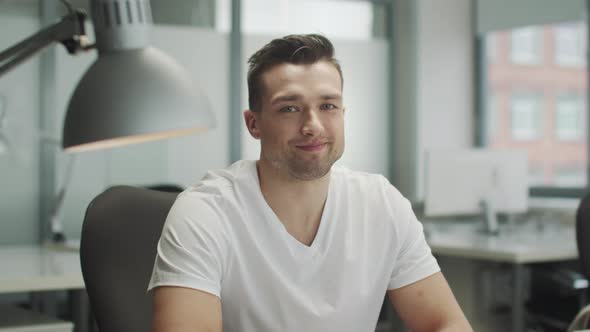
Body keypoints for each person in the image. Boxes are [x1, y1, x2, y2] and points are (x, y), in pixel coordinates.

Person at [148, 34, 472, 332]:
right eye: (289, 108)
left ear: (343, 113)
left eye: (327, 106)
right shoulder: (205, 213)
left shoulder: (381, 203)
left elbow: (446, 322)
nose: (312, 125)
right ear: (253, 123)